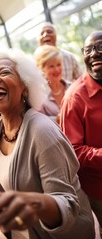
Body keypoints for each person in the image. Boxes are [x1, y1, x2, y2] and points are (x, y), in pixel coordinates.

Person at [0, 49, 95, 239]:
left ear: (25, 86)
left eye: (4, 72)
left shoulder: (42, 131)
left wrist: (36, 203)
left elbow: (67, 202)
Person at [59, 30, 102, 238]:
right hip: (99, 186)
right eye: (88, 50)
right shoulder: (74, 98)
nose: (94, 53)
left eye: (100, 47)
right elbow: (73, 151)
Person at [34, 44, 71, 122]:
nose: (57, 69)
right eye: (51, 66)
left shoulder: (72, 87)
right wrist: (57, 119)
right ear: (42, 69)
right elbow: (38, 121)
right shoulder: (38, 96)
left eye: (58, 65)